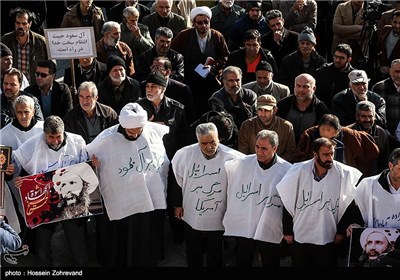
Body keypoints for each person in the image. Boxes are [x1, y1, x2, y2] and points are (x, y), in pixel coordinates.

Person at [84, 102, 170, 267]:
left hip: (148, 197)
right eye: (131, 132)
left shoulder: (150, 131)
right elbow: (88, 157)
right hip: (123, 200)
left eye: (139, 131)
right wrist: (92, 162)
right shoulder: (106, 138)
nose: (135, 135)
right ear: (123, 126)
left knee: (146, 234)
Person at [12, 115, 92, 266]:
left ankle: (83, 265)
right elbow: (16, 164)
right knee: (42, 241)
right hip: (45, 199)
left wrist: (92, 163)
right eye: (51, 137)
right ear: (44, 134)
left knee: (77, 239)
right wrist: (18, 179)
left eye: (58, 136)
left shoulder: (77, 141)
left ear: (64, 132)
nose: (55, 141)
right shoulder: (32, 144)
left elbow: (86, 167)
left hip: (70, 196)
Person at [276, 137, 363, 267]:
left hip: (328, 233)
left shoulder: (343, 173)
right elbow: (287, 200)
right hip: (301, 232)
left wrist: (340, 231)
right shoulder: (298, 171)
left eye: (332, 153)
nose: (330, 158)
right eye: (325, 154)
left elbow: (347, 203)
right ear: (315, 154)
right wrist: (288, 231)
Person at [171, 122, 244, 267]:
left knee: (215, 249)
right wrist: (177, 204)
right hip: (191, 209)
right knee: (193, 247)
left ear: (219, 138)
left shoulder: (232, 157)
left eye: (212, 142)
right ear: (198, 141)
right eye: (204, 143)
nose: (209, 147)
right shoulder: (184, 155)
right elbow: (176, 181)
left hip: (217, 212)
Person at [223, 130, 292, 267]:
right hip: (246, 224)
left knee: (270, 261)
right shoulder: (243, 163)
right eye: (257, 147)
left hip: (270, 226)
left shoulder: (287, 170)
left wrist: (288, 230)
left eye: (264, 148)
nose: (259, 152)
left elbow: (289, 204)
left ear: (275, 148)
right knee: (243, 259)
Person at [137, 71, 189, 244]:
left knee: (174, 199)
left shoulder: (177, 109)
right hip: (148, 164)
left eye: (154, 86)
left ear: (163, 89)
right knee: (153, 203)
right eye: (147, 86)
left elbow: (184, 138)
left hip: (172, 162)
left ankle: (178, 237)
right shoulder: (138, 108)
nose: (149, 89)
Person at [171, 6, 229, 120]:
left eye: (206, 22)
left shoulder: (217, 36)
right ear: (194, 23)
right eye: (200, 23)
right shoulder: (184, 35)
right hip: (189, 80)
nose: (203, 26)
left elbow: (225, 56)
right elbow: (173, 54)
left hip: (210, 81)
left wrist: (213, 67)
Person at [0, 95, 44, 235]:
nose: (23, 116)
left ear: (33, 111)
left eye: (26, 111)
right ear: (14, 112)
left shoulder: (43, 129)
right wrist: (7, 171)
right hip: (17, 184)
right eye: (19, 112)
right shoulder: (4, 134)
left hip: (42, 180)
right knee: (24, 216)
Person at [294, 113, 380, 178]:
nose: (326, 132)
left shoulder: (349, 135)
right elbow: (300, 158)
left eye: (329, 129)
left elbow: (370, 151)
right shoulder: (309, 135)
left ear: (337, 130)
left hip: (342, 175)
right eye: (323, 129)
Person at [238, 94, 296, 162]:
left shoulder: (286, 127)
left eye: (266, 110)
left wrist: (275, 165)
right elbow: (243, 153)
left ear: (275, 110)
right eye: (260, 109)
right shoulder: (247, 126)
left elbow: (290, 152)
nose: (262, 114)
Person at [276, 73, 329, 144]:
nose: (301, 90)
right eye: (298, 86)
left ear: (314, 89)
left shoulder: (321, 109)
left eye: (305, 87)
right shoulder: (283, 105)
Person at [0, 8, 48, 85]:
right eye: (18, 23)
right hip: (13, 87)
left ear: (30, 24)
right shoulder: (5, 40)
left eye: (24, 23)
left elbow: (51, 64)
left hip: (35, 87)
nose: (20, 26)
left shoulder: (40, 41)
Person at [276, 26, 326, 95]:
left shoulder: (320, 61)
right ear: (298, 44)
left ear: (313, 45)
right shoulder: (288, 61)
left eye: (308, 43)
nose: (304, 46)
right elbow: (283, 80)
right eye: (302, 43)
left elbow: (322, 82)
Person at [208, 66, 257, 130]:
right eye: (231, 80)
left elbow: (256, 118)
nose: (235, 84)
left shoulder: (250, 95)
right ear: (224, 81)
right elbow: (223, 121)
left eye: (237, 80)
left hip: (249, 131)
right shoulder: (217, 98)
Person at [348, 101, 389, 175]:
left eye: (370, 116)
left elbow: (384, 160)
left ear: (375, 117)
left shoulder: (381, 133)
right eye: (363, 116)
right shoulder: (349, 132)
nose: (367, 120)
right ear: (357, 117)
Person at [315, 43, 356, 110]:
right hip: (324, 109)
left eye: (341, 58)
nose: (337, 60)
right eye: (336, 57)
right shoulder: (323, 71)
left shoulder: (353, 75)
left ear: (349, 59)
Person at [377, 10, 400, 79]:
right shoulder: (386, 29)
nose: (397, 26)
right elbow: (379, 47)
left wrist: (391, 68)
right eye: (395, 22)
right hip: (381, 71)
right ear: (391, 21)